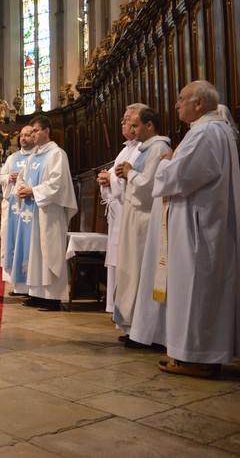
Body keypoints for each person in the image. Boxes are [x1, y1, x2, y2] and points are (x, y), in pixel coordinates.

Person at [154, 81, 240, 378]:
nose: (177, 104)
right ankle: (202, 354)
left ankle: (196, 357)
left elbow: (179, 175)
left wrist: (165, 163)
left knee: (195, 288)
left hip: (198, 226)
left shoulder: (203, 133)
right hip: (206, 221)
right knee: (202, 287)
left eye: (182, 99)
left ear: (199, 103)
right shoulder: (219, 130)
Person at [112, 108, 170, 345]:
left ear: (150, 126)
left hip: (145, 221)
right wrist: (126, 174)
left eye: (136, 126)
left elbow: (148, 188)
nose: (132, 130)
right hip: (134, 218)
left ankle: (144, 332)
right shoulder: (145, 148)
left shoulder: (158, 148)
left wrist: (129, 173)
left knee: (140, 273)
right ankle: (133, 328)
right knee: (131, 272)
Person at [13, 115, 78, 311]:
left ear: (47, 131)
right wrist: (21, 189)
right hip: (32, 212)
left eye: (35, 131)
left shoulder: (57, 154)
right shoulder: (33, 156)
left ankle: (53, 297)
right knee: (35, 253)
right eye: (31, 132)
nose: (32, 135)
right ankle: (37, 293)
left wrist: (34, 191)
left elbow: (58, 184)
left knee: (49, 252)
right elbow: (21, 180)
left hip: (49, 212)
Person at [97, 103, 148, 312]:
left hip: (132, 214)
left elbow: (134, 180)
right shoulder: (125, 149)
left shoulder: (142, 149)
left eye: (128, 119)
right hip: (119, 216)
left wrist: (110, 178)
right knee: (119, 262)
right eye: (124, 119)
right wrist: (105, 179)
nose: (123, 123)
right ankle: (117, 308)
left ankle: (127, 312)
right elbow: (116, 177)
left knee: (130, 264)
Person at [0, 125, 34, 292]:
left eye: (27, 135)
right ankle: (17, 284)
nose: (23, 138)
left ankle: (30, 284)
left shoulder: (38, 157)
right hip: (13, 207)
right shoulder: (12, 158)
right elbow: (1, 176)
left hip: (30, 206)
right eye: (22, 135)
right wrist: (8, 178)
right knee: (12, 241)